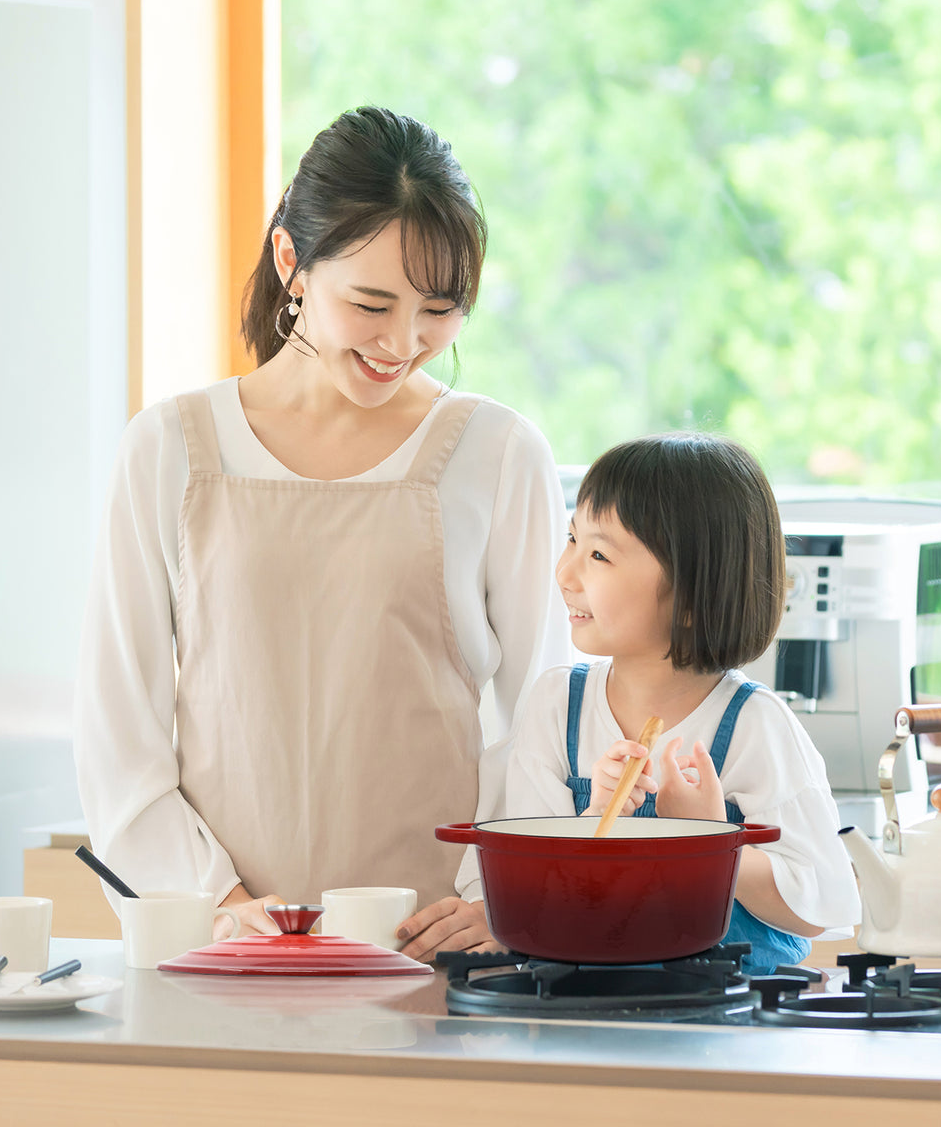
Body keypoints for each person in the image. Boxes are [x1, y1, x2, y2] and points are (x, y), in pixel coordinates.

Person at [74, 107, 569, 961]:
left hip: (434, 950)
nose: (403, 343)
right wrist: (219, 902)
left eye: (439, 311)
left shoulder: (498, 454)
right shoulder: (168, 449)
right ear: (291, 263)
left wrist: (504, 899)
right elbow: (118, 727)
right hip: (219, 947)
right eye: (370, 303)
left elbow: (545, 718)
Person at [505, 432, 860, 973]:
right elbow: (532, 893)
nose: (565, 573)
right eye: (571, 540)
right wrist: (596, 820)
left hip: (731, 1029)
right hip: (587, 1010)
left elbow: (823, 906)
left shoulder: (753, 725)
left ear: (692, 597)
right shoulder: (557, 705)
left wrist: (711, 843)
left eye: (598, 554)